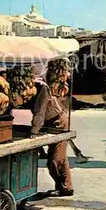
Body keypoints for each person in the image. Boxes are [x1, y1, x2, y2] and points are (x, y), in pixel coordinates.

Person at [30, 58, 74, 197]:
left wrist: (34, 131)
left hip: (59, 122)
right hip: (52, 122)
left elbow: (40, 112)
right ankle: (66, 187)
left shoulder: (43, 88)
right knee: (59, 158)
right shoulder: (43, 85)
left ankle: (65, 188)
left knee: (55, 160)